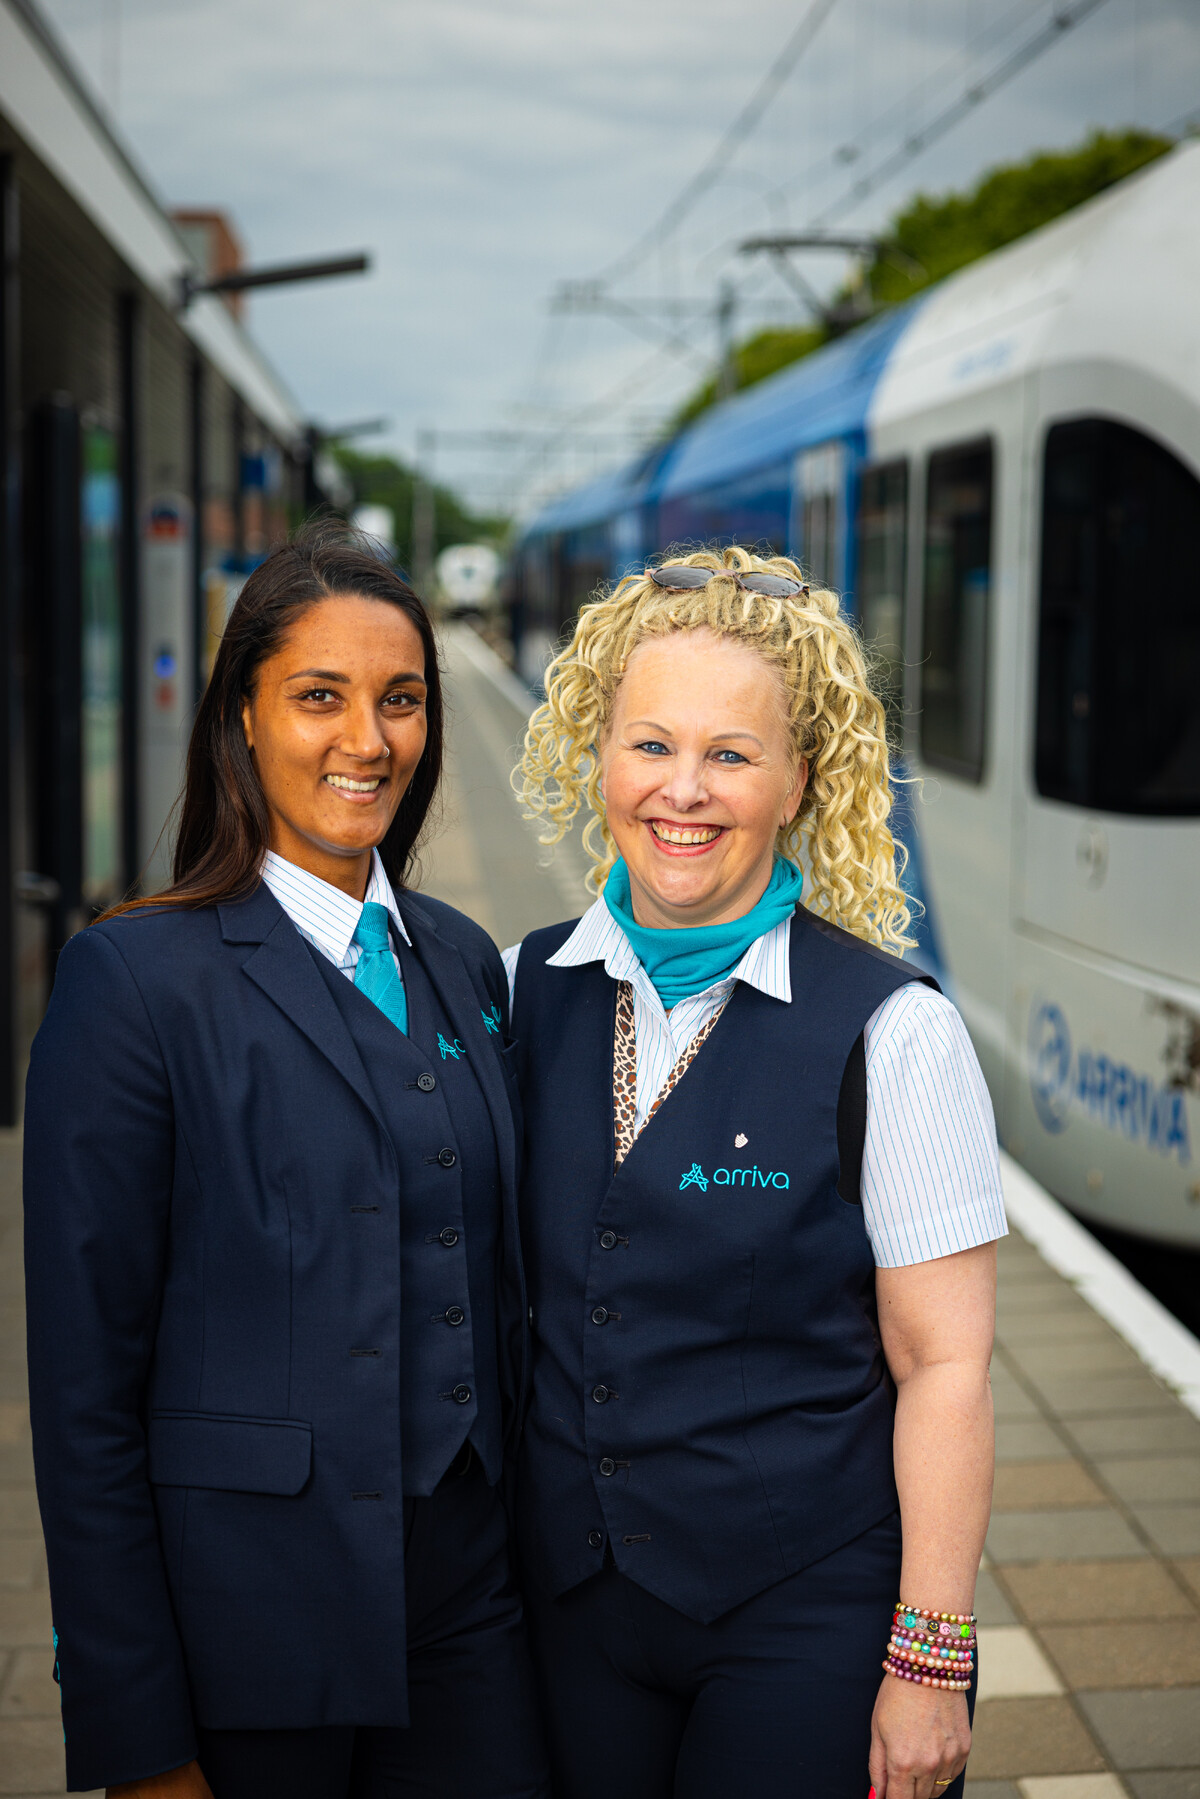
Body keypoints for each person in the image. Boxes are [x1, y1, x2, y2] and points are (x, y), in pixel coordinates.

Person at [24, 524, 549, 1799]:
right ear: (243, 718)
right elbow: (82, 1401)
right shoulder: (132, 983)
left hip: (472, 1612)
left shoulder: (466, 956)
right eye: (319, 695)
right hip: (251, 1634)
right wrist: (139, 1734)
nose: (367, 741)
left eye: (402, 700)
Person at [504, 546, 1005, 1799]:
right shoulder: (515, 989)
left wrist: (930, 1660)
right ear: (597, 756)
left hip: (803, 1611)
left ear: (799, 782)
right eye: (651, 745)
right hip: (572, 1605)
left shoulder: (895, 1031)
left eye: (732, 753)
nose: (684, 790)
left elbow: (943, 1362)